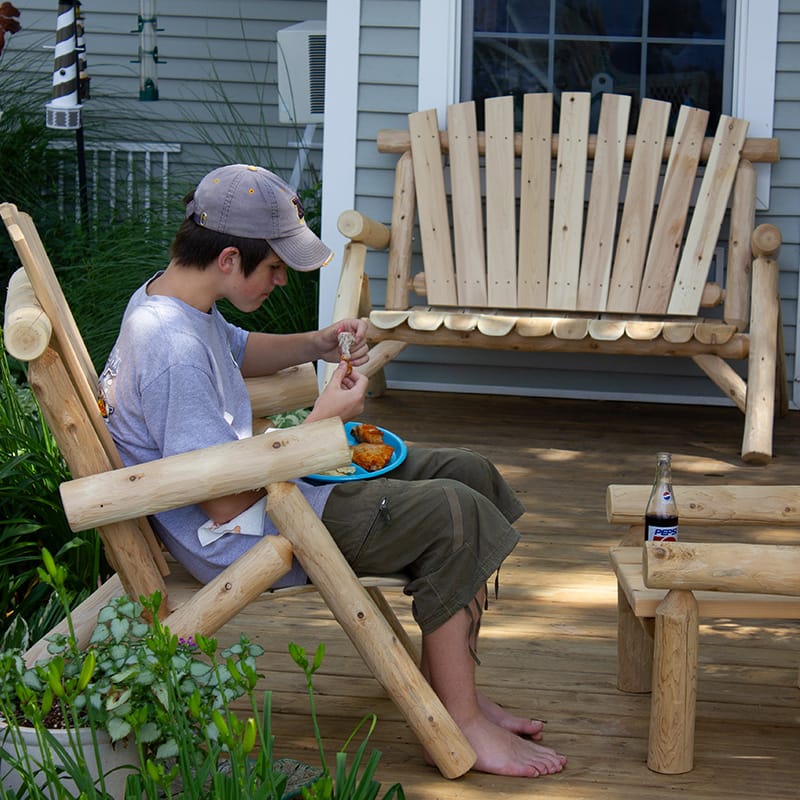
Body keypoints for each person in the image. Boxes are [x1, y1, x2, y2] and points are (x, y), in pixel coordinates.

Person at [100, 164, 567, 778]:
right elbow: (223, 502)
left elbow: (236, 349)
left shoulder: (178, 303)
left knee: (467, 472)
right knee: (453, 514)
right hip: (245, 531)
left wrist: (316, 344)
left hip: (271, 488)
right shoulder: (171, 350)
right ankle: (463, 723)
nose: (280, 280)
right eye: (274, 268)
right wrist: (320, 423)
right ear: (229, 258)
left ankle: (458, 692)